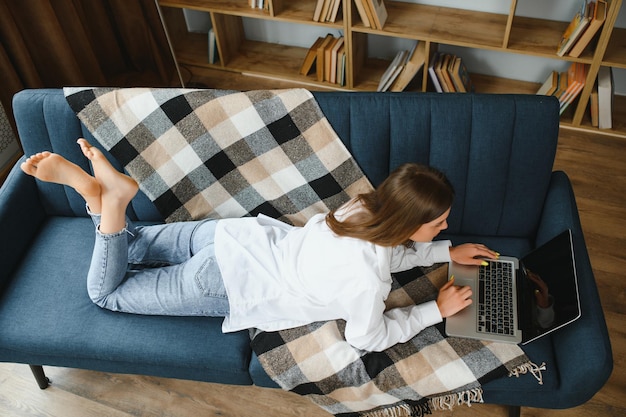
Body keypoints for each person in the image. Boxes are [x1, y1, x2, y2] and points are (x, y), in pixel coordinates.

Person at [21, 139, 498, 352]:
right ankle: (106, 200)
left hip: (232, 237)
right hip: (225, 283)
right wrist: (434, 310)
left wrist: (443, 252)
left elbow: (389, 247)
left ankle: (96, 195)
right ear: (407, 221)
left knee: (134, 240)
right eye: (438, 223)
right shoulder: (366, 280)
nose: (445, 226)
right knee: (108, 294)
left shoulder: (364, 208)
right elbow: (366, 338)